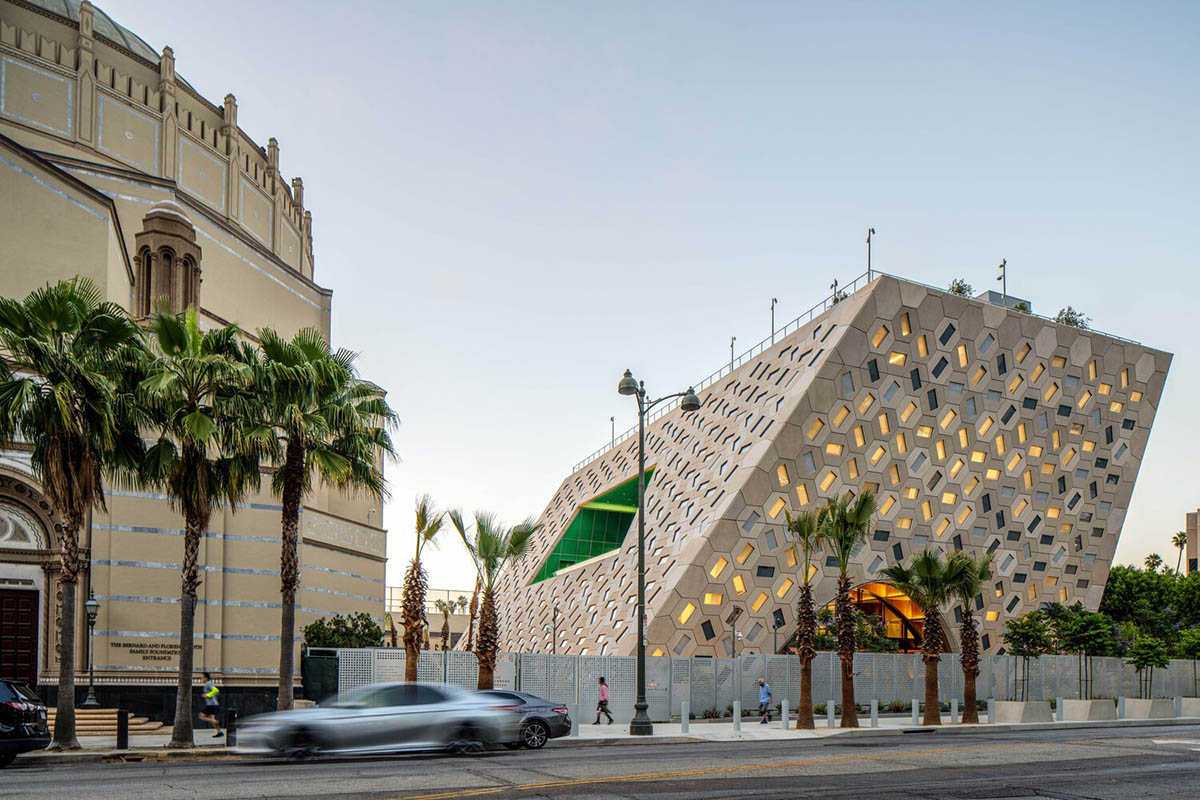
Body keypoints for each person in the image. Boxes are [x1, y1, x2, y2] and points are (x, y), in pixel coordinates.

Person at [198, 672, 223, 737]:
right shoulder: (209, 683)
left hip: (211, 705)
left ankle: (216, 722)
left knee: (201, 716)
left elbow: (216, 690)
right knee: (212, 718)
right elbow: (216, 692)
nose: (201, 679)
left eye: (202, 677)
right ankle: (219, 732)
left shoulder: (208, 684)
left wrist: (207, 695)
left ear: (206, 678)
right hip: (213, 704)